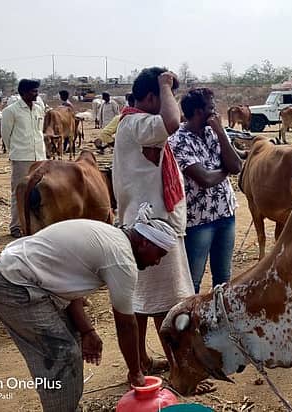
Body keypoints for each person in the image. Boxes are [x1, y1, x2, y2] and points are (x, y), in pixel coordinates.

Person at [0, 203, 176, 411]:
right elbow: (126, 324)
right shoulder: (122, 261)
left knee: (72, 340)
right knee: (62, 354)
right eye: (159, 254)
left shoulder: (111, 236)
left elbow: (69, 282)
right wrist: (136, 372)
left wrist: (87, 331)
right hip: (11, 284)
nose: (157, 262)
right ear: (145, 243)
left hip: (21, 275)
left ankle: (67, 405)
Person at [112, 67, 192, 373]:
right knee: (164, 303)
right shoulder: (137, 123)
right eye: (164, 97)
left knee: (142, 300)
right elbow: (173, 122)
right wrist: (165, 85)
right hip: (151, 232)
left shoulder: (134, 124)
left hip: (145, 227)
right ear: (150, 97)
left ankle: (142, 363)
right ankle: (177, 369)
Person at [168, 88, 242, 294]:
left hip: (226, 213)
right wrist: (226, 169)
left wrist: (220, 132)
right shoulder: (178, 140)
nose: (215, 112)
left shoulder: (215, 131)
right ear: (199, 112)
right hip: (199, 221)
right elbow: (205, 179)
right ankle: (191, 323)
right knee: (194, 281)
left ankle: (219, 322)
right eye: (211, 107)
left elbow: (237, 167)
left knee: (223, 279)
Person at [1, 79, 47, 238]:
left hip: (39, 157)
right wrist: (15, 151)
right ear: (24, 93)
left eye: (37, 91)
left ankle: (35, 224)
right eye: (34, 91)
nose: (36, 94)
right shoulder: (11, 111)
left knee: (39, 192)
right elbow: (6, 136)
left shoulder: (39, 109)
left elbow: (39, 132)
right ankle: (16, 226)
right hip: (22, 158)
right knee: (19, 192)